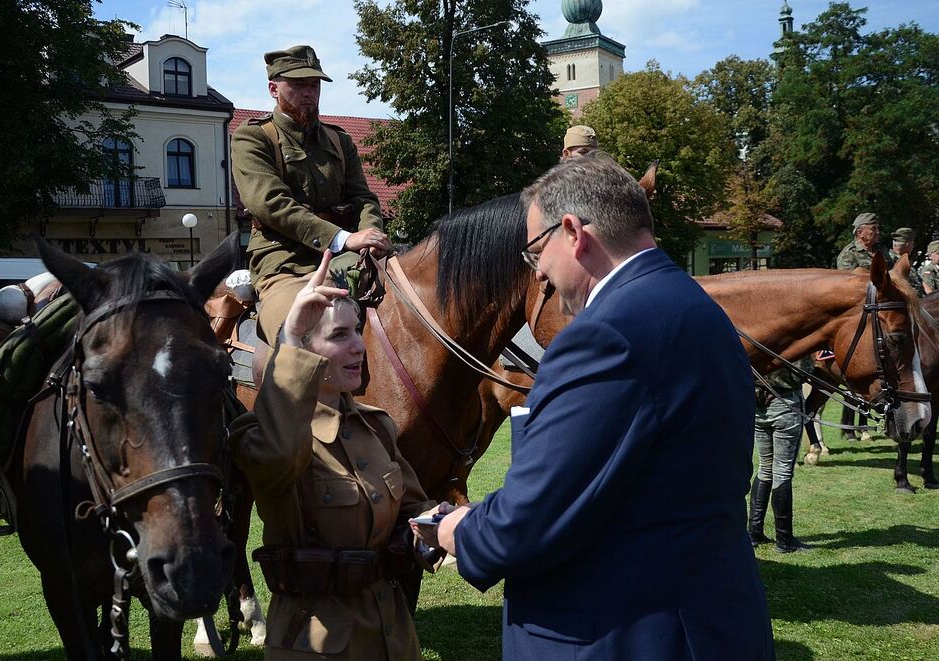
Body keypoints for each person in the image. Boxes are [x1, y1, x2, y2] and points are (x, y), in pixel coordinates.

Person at [416, 156, 774, 659]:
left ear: (572, 232)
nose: (537, 273)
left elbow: (531, 520)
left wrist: (457, 528)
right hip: (708, 619)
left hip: (622, 632)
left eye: (535, 251)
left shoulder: (605, 334)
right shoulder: (699, 309)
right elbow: (613, 481)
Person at [229, 250, 438, 660]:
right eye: (339, 335)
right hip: (319, 644)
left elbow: (414, 508)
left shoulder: (374, 426)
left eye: (357, 330)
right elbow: (282, 454)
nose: (361, 346)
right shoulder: (256, 435)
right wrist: (289, 337)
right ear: (300, 352)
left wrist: (448, 522)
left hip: (392, 635)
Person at [231, 45, 391, 342]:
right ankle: (289, 387)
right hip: (283, 262)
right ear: (273, 89)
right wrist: (344, 238)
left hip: (347, 260)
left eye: (314, 85)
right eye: (298, 84)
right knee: (298, 330)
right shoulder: (252, 137)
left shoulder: (340, 140)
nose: (308, 92)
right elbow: (270, 204)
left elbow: (363, 198)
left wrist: (370, 234)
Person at [750, 361, 815, 553]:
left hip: (758, 407)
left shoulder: (758, 340)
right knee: (783, 472)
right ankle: (784, 541)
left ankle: (754, 533)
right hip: (785, 404)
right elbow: (805, 371)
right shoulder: (790, 342)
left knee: (765, 468)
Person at [836, 212, 887, 439]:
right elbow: (845, 285)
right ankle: (849, 426)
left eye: (877, 229)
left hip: (882, 312)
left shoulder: (882, 252)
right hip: (858, 314)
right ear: (859, 232)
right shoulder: (849, 254)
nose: (876, 232)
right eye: (872, 229)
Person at [888, 227, 923, 295]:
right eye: (912, 244)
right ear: (908, 244)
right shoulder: (889, 261)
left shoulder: (905, 261)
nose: (913, 247)